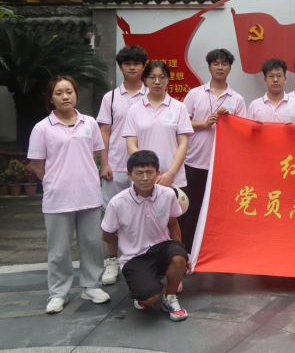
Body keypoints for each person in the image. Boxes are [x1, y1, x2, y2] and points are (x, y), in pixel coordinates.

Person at [28, 76, 111, 314]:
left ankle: (91, 286)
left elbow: (94, 153)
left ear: (76, 94)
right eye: (59, 93)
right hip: (58, 198)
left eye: (69, 91)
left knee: (92, 243)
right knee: (59, 249)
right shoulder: (42, 128)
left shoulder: (89, 123)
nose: (65, 96)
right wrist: (54, 181)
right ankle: (58, 293)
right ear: (50, 98)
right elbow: (37, 164)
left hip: (88, 194)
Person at [101, 150, 189, 321]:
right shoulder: (117, 202)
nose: (145, 178)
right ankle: (148, 288)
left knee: (179, 257)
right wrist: (125, 244)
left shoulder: (168, 194)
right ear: (130, 175)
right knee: (149, 298)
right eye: (139, 173)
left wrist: (182, 250)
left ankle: (170, 297)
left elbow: (173, 223)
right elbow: (107, 234)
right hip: (134, 256)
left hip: (162, 248)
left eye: (150, 172)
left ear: (158, 173)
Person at [182, 49, 246, 253]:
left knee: (219, 210)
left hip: (222, 165)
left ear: (230, 68)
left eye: (224, 64)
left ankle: (215, 250)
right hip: (195, 161)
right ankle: (188, 252)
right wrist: (205, 123)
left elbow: (242, 132)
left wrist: (230, 120)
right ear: (209, 66)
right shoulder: (195, 94)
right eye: (216, 63)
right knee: (191, 209)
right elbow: (182, 125)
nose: (220, 67)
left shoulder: (237, 99)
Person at [97, 45, 148, 286]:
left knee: (145, 214)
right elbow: (104, 132)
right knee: (112, 215)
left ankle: (143, 258)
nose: (132, 67)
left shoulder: (151, 95)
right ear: (120, 67)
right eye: (128, 64)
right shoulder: (111, 98)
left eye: (137, 63)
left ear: (143, 66)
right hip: (116, 166)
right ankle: (112, 260)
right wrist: (104, 163)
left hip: (144, 169)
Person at [124, 60, 194, 189]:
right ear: (145, 80)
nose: (157, 82)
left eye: (162, 77)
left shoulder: (179, 108)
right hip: (144, 179)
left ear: (168, 80)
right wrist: (150, 173)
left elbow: (183, 144)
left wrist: (170, 174)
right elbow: (131, 146)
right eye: (152, 77)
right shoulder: (134, 109)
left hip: (173, 178)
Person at [248, 59, 295, 123]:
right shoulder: (255, 105)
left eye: (279, 76)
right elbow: (247, 128)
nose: (275, 80)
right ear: (265, 80)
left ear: (285, 79)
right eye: (271, 76)